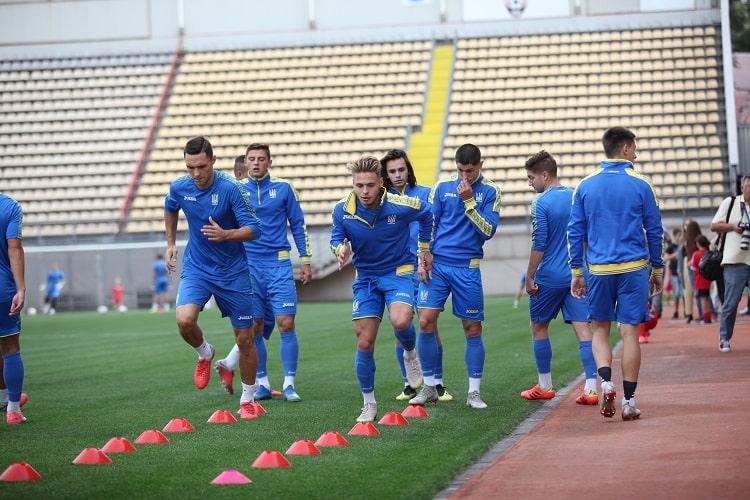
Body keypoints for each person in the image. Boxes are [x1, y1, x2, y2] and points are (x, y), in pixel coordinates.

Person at [568, 127, 663, 421]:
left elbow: (575, 232)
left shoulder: (584, 185)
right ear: (625, 149)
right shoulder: (642, 184)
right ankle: (629, 401)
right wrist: (657, 268)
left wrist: (576, 271)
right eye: (634, 147)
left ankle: (606, 382)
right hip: (634, 268)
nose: (636, 153)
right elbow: (655, 230)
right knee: (630, 331)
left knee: (599, 328)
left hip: (598, 269)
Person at [164, 136, 262, 419]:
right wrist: (171, 243)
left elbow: (254, 229)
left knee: (245, 339)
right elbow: (170, 208)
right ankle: (205, 353)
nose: (196, 173)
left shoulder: (231, 188)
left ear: (213, 161)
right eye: (190, 167)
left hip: (233, 272)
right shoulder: (179, 187)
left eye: (202, 166)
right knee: (184, 320)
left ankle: (248, 399)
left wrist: (226, 234)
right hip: (198, 267)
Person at [330, 155, 431, 422]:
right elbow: (335, 238)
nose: (364, 191)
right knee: (364, 341)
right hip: (366, 278)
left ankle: (410, 353)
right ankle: (369, 403)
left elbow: (427, 214)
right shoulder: (342, 210)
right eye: (359, 185)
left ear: (381, 184)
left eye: (370, 185)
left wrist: (424, 249)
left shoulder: (401, 204)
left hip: (399, 273)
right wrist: (340, 250)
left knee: (401, 321)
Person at [214, 144, 312, 402]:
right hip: (247, 267)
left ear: (269, 162)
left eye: (261, 159)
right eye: (252, 159)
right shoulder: (234, 190)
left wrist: (305, 260)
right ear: (245, 162)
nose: (256, 163)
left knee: (286, 323)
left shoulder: (284, 188)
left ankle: (289, 384)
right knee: (254, 326)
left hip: (279, 264)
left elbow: (298, 224)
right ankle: (263, 383)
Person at [411, 143, 501, 409]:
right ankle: (430, 386)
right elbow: (428, 224)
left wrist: (469, 202)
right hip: (438, 265)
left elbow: (488, 231)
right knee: (425, 321)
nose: (464, 176)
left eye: (470, 171)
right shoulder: (441, 187)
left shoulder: (491, 191)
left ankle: (473, 392)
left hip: (467, 267)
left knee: (472, 328)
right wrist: (422, 257)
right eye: (460, 170)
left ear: (480, 166)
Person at [519, 151, 598, 405]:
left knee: (538, 326)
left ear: (545, 175)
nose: (530, 183)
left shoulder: (540, 203)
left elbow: (539, 243)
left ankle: (545, 385)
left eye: (531, 178)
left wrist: (529, 276)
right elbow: (587, 236)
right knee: (584, 329)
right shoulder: (577, 196)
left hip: (550, 277)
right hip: (578, 274)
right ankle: (592, 389)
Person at [381, 149, 452, 402]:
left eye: (401, 169)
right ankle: (409, 383)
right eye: (392, 171)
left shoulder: (425, 194)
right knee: (401, 327)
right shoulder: (382, 199)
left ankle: (437, 383)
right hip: (396, 271)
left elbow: (436, 225)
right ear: (386, 175)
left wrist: (429, 256)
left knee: (428, 323)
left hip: (424, 268)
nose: (398, 175)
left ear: (408, 169)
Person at [709, 175, 750, 353]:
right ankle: (724, 337)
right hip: (734, 260)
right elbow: (714, 226)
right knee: (731, 302)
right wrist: (733, 227)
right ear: (742, 187)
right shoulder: (731, 203)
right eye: (748, 186)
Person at [0, 192, 28, 424]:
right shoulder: (10, 206)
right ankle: (13, 409)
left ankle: (3, 398)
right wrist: (20, 288)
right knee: (10, 346)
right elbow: (14, 247)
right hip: (3, 288)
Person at [682, 220, 703, 323]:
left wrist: (690, 261)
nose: (685, 227)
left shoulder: (694, 240)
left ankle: (702, 313)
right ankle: (703, 313)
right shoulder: (690, 239)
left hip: (693, 266)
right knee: (697, 291)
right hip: (692, 266)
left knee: (697, 290)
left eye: (687, 226)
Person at [690, 235, 713, 324]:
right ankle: (708, 316)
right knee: (707, 298)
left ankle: (705, 317)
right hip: (708, 279)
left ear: (698, 244)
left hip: (699, 279)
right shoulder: (708, 253)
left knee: (703, 299)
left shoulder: (696, 254)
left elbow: (693, 267)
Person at [664, 228, 684, 319]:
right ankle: (676, 311)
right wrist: (675, 254)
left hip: (683, 272)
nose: (680, 237)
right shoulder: (671, 247)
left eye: (681, 235)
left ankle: (687, 311)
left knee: (684, 293)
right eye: (679, 235)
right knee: (676, 293)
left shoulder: (683, 246)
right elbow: (665, 258)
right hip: (674, 273)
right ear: (675, 236)